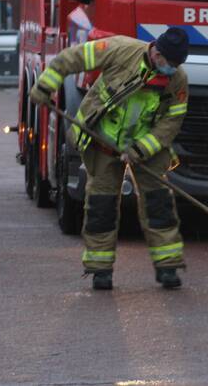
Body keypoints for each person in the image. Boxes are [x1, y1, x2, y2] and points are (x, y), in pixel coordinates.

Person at [30, 28, 190, 291]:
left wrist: (140, 149)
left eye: (177, 65)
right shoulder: (118, 49)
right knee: (101, 206)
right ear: (157, 53)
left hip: (145, 146)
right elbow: (69, 58)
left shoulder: (177, 79)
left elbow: (171, 121)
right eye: (169, 64)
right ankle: (100, 270)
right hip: (101, 141)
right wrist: (46, 86)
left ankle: (168, 266)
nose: (173, 70)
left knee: (158, 204)